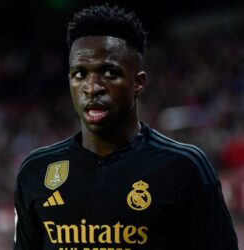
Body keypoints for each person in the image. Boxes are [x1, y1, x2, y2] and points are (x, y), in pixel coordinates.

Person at [13, 4, 238, 250]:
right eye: (80, 74)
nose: (92, 87)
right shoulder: (36, 171)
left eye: (109, 72)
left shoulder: (184, 167)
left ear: (138, 83)